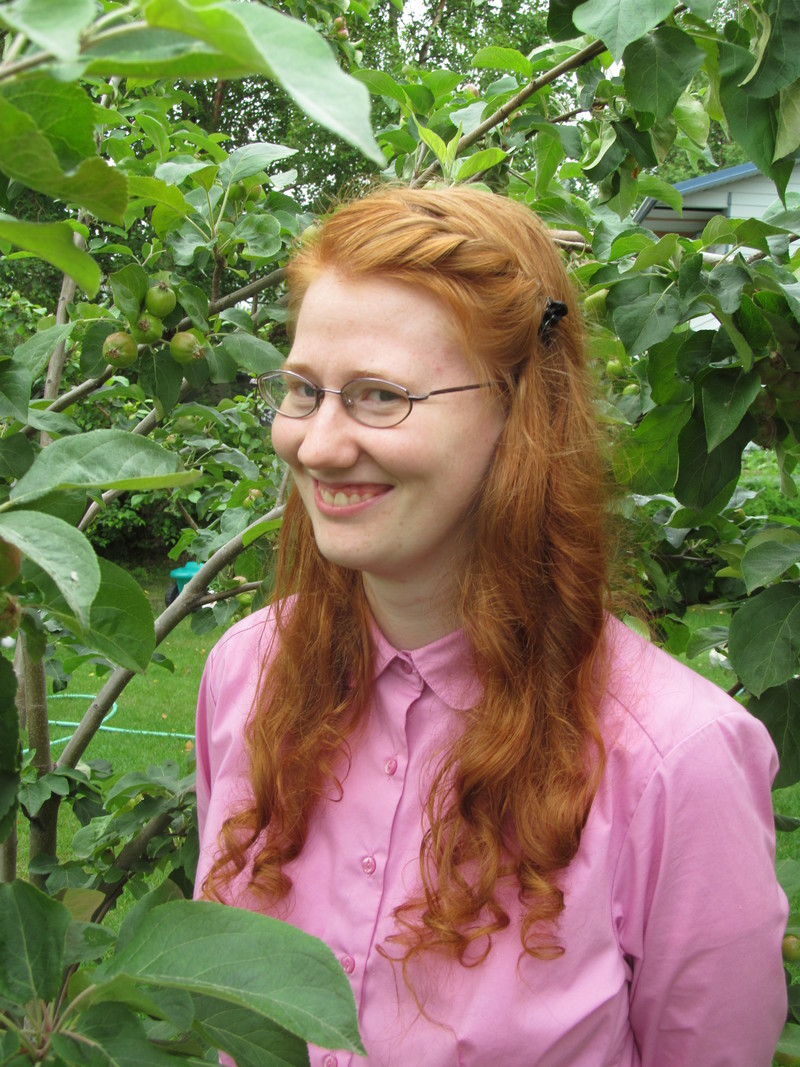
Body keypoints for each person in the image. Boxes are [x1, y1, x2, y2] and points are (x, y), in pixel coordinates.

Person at [194, 185, 788, 1067]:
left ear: (517, 407)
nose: (317, 446)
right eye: (303, 390)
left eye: (380, 396)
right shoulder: (246, 674)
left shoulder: (677, 763)